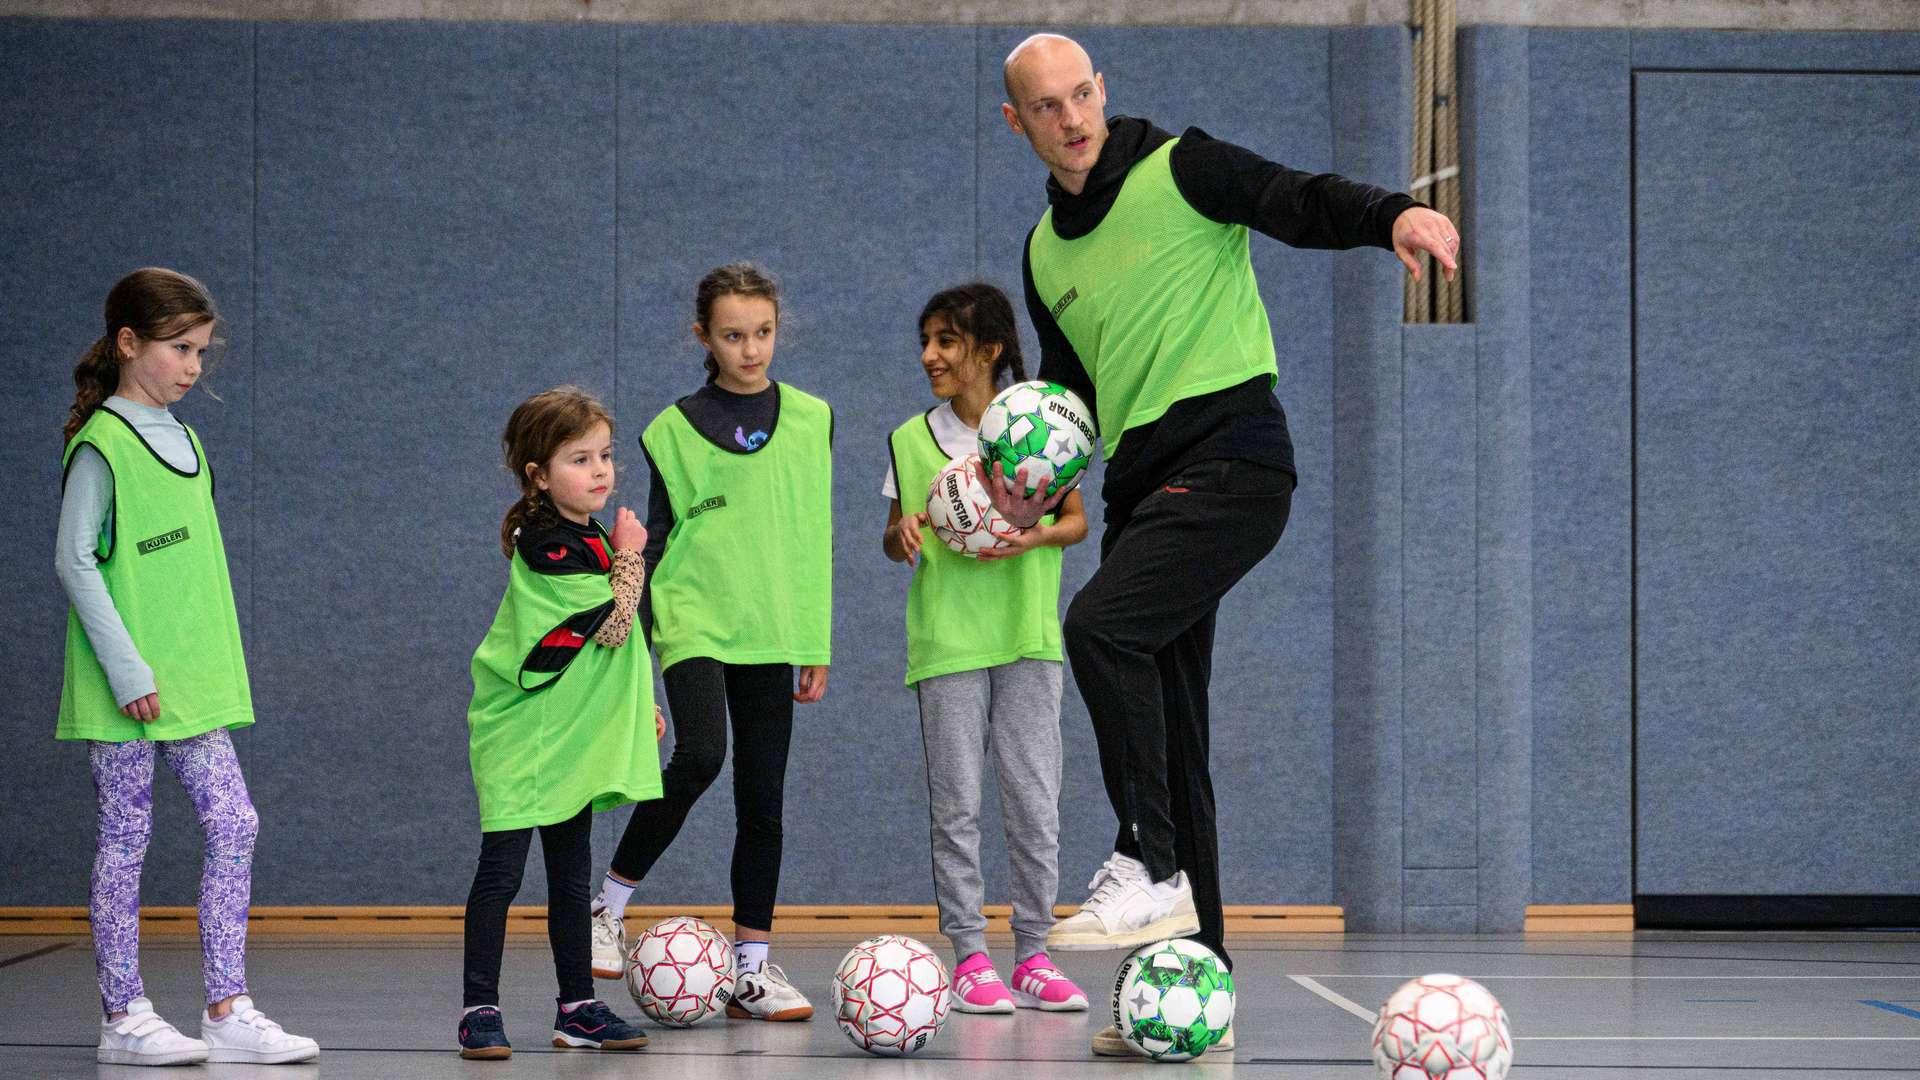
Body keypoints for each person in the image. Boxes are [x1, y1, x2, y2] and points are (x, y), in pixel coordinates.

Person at [990, 33, 1463, 1055]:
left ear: (1102, 92)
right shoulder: (1043, 256)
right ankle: (1191, 985)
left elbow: (1295, 198)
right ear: (1017, 122)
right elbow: (1071, 399)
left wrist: (1391, 214)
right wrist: (1025, 486)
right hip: (1141, 490)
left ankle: (1145, 864)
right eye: (1046, 106)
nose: (1071, 119)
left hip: (1236, 460)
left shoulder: (1183, 165)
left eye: (1082, 96)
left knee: (1099, 629)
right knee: (1175, 730)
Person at [56, 267, 320, 1067]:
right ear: (129, 343)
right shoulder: (101, 441)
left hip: (192, 681)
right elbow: (73, 561)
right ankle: (123, 1016)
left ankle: (226, 1008)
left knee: (235, 823)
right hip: (125, 686)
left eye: (201, 351)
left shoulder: (189, 439)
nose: (193, 366)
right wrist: (128, 668)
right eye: (179, 349)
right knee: (126, 835)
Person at [589, 263, 832, 1022]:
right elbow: (656, 542)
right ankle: (607, 905)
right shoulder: (672, 428)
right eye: (733, 335)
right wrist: (633, 636)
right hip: (693, 613)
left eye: (762, 332)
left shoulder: (814, 418)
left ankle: (752, 969)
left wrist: (813, 640)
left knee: (763, 798)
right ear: (704, 336)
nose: (751, 349)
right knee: (700, 755)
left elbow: (812, 533)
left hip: (771, 625)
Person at [881, 283, 1090, 1014]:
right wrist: (901, 533)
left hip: (1028, 635)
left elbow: (1076, 521)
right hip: (947, 641)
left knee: (1034, 801)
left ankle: (1033, 951)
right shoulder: (911, 438)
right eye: (926, 341)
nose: (929, 355)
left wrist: (1030, 535)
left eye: (946, 341)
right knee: (957, 805)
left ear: (990, 348)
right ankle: (971, 955)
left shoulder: (1042, 422)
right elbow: (893, 531)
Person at [457, 386, 664, 1060]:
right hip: (524, 733)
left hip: (568, 735)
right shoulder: (546, 541)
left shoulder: (589, 533)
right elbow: (609, 624)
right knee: (502, 876)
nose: (601, 470)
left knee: (573, 877)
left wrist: (640, 706)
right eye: (580, 459)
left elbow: (609, 650)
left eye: (605, 455)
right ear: (538, 476)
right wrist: (634, 553)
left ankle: (577, 1007)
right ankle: (478, 1011)